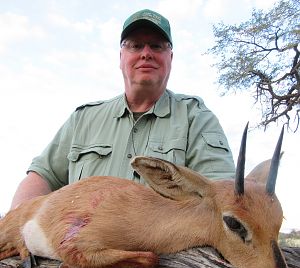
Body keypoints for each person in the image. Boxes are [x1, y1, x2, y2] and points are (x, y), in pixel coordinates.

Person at [11, 9, 235, 209]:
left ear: (171, 58)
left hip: (163, 254)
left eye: (156, 46)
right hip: (74, 250)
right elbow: (42, 176)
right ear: (121, 58)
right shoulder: (84, 119)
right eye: (136, 45)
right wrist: (17, 229)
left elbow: (224, 197)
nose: (146, 53)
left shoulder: (195, 117)